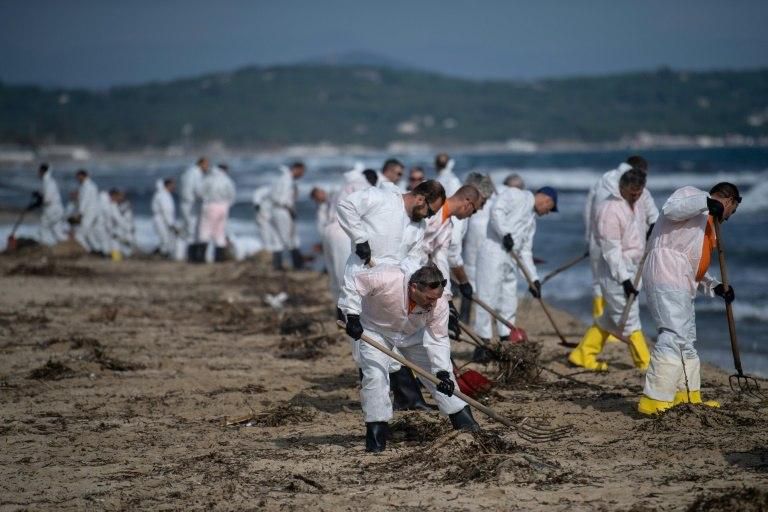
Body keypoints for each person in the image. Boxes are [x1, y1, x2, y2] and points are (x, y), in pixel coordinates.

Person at [342, 263, 479, 452]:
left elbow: (438, 339)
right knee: (375, 376)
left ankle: (465, 423)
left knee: (439, 376)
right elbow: (354, 282)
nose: (432, 304)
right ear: (413, 287)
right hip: (375, 331)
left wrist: (442, 373)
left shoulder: (438, 303)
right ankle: (376, 437)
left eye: (436, 299)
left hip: (412, 335)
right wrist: (352, 315)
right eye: (429, 298)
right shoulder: (386, 277)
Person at [336, 179, 446, 412]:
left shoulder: (418, 227)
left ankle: (401, 401)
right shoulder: (381, 198)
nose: (428, 216)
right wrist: (359, 239)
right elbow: (346, 206)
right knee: (369, 355)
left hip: (392, 291)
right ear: (419, 198)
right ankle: (377, 410)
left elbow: (414, 259)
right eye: (429, 210)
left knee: (395, 350)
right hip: (361, 284)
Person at [638, 182, 741, 415]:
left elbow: (694, 264)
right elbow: (671, 209)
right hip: (666, 272)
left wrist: (715, 286)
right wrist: (706, 201)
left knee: (686, 339)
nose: (729, 217)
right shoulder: (692, 195)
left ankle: (687, 395)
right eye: (731, 212)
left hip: (681, 278)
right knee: (673, 335)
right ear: (729, 201)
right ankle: (654, 399)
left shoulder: (708, 223)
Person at [568, 169, 652, 371]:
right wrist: (624, 280)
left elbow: (645, 225)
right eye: (632, 193)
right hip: (615, 272)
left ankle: (582, 354)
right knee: (630, 318)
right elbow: (611, 249)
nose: (636, 197)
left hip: (634, 267)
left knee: (607, 318)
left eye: (639, 193)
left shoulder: (638, 203)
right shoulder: (609, 210)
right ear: (622, 188)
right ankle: (646, 365)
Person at [472, 186, 558, 344]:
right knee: (487, 297)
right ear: (547, 200)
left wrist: (533, 279)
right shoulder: (517, 195)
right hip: (494, 252)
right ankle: (482, 341)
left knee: (509, 298)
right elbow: (496, 211)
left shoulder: (531, 223)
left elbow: (525, 252)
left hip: (511, 260)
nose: (547, 213)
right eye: (549, 209)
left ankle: (506, 336)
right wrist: (504, 233)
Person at [585, 156, 658, 320]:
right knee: (624, 287)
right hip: (619, 245)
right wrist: (648, 233)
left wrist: (588, 237)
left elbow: (589, 207)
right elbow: (651, 215)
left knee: (600, 283)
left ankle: (602, 320)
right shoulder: (635, 186)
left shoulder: (605, 178)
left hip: (598, 239)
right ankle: (611, 322)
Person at [322, 166, 377, 304]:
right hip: (342, 231)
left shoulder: (344, 186)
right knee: (345, 277)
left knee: (334, 277)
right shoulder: (363, 186)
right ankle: (347, 317)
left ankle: (339, 317)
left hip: (328, 230)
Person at [455, 172, 497, 322]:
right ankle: (465, 317)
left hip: (482, 244)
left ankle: (472, 319)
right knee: (471, 279)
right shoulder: (466, 204)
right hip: (472, 246)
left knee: (480, 281)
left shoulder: (488, 204)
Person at [197, 163, 236, 263]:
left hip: (210, 205)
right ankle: (219, 258)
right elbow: (232, 194)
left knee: (205, 230)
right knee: (220, 232)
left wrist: (205, 200)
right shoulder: (227, 180)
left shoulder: (209, 178)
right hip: (223, 206)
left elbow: (200, 192)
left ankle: (201, 258)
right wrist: (227, 204)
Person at [270, 162, 305, 270]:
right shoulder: (287, 180)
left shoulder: (281, 178)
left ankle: (277, 265)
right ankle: (297, 265)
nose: (302, 174)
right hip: (284, 210)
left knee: (277, 239)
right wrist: (291, 211)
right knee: (291, 239)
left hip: (275, 210)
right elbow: (284, 199)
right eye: (302, 171)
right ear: (296, 169)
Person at [73, 169, 106, 254]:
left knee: (79, 234)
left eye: (78, 177)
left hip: (88, 213)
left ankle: (88, 251)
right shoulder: (92, 185)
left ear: (83, 176)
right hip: (93, 214)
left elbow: (84, 201)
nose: (77, 179)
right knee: (89, 233)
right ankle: (98, 250)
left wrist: (79, 213)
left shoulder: (86, 186)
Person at [179, 157, 209, 245]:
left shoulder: (188, 172)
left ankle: (182, 251)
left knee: (187, 227)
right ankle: (191, 254)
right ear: (201, 164)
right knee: (192, 229)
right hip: (191, 204)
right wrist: (207, 199)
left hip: (184, 202)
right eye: (206, 165)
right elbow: (198, 190)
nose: (207, 167)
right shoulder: (197, 173)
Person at [36, 163, 66, 245]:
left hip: (52, 210)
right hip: (57, 210)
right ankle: (66, 245)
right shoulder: (50, 181)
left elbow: (47, 199)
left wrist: (39, 199)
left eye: (38, 171)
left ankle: (46, 247)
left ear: (42, 171)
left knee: (42, 229)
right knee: (57, 231)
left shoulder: (48, 182)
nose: (37, 173)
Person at [152, 178, 178, 257]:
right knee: (165, 240)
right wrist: (171, 224)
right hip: (161, 220)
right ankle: (159, 255)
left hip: (163, 219)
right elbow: (166, 210)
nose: (174, 187)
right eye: (173, 185)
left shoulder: (164, 194)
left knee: (166, 240)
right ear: (168, 185)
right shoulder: (163, 195)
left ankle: (160, 255)